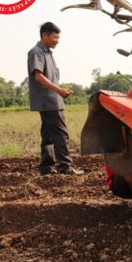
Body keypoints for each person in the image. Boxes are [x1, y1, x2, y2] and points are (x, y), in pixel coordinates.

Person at [27, 22, 83, 176]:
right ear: (44, 35)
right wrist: (59, 91)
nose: (57, 40)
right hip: (49, 101)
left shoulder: (47, 53)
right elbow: (39, 77)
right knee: (60, 134)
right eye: (55, 37)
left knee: (48, 135)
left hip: (51, 100)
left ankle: (46, 168)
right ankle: (65, 166)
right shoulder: (36, 52)